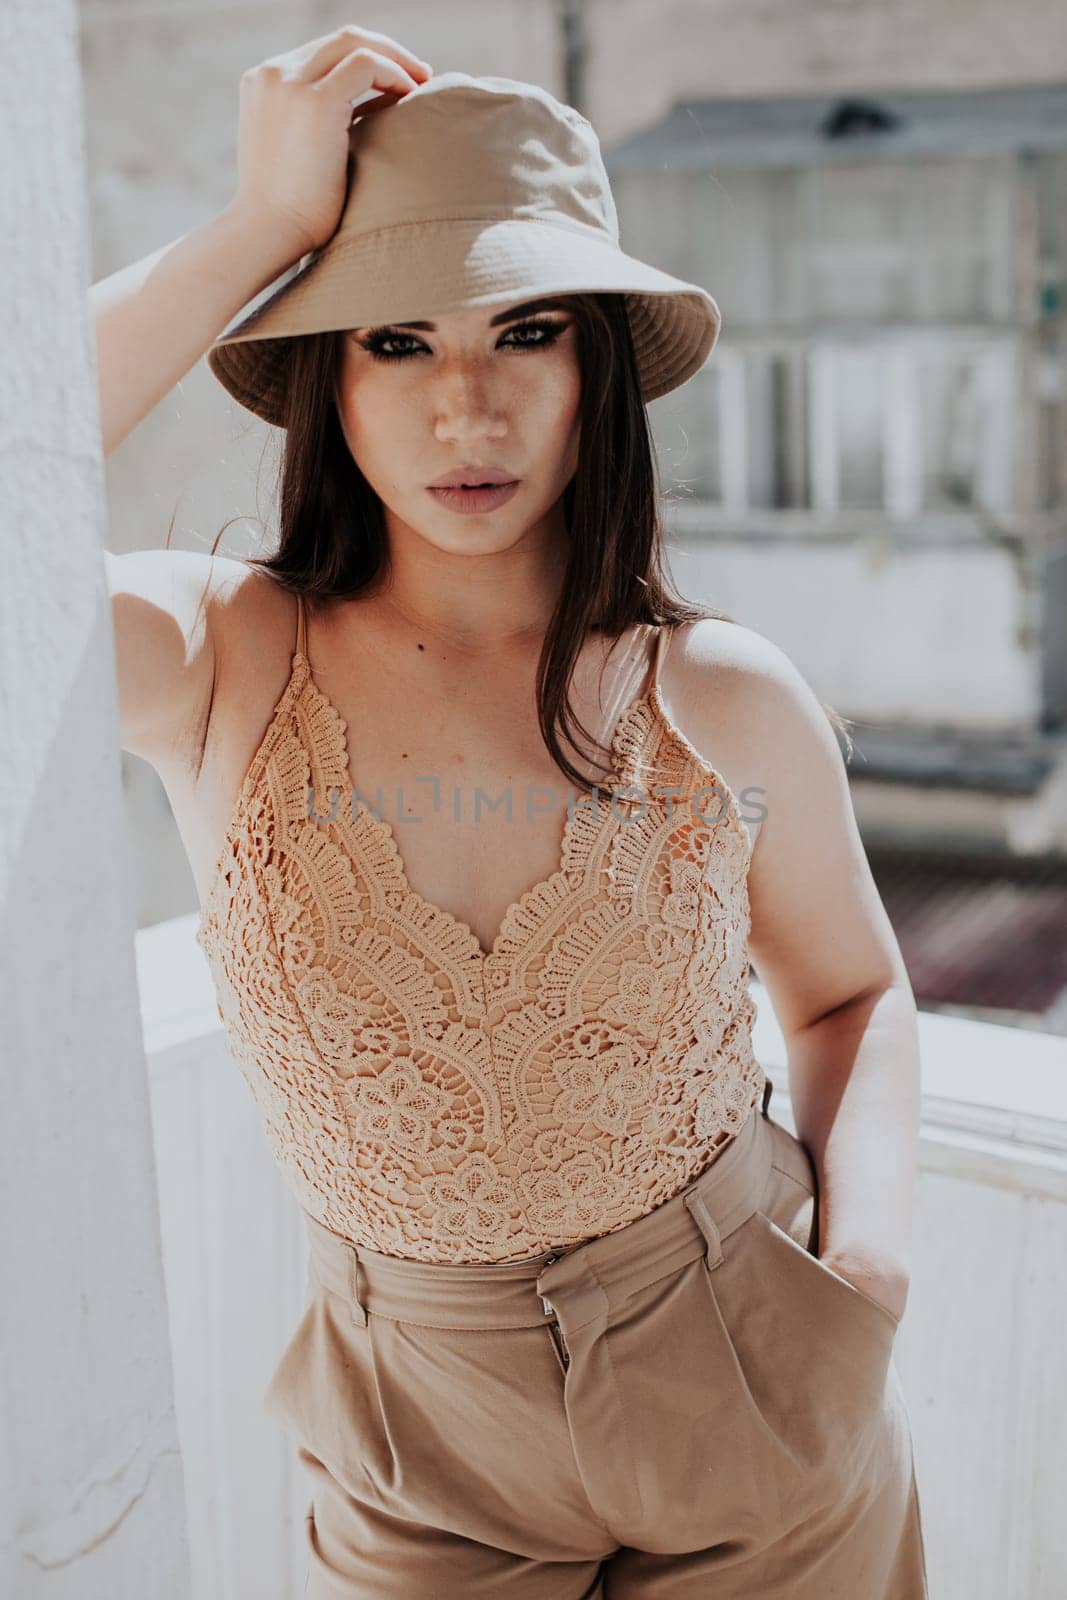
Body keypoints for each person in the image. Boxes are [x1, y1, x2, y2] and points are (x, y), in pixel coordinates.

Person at [93, 25, 929, 1598]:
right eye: (395, 340)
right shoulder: (217, 663)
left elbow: (851, 991)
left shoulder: (723, 693)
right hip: (421, 1435)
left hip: (752, 1368)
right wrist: (262, 227)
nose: (464, 408)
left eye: (523, 332)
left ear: (592, 364)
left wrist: (866, 1268)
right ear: (326, 377)